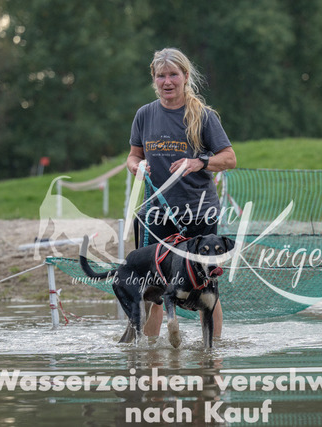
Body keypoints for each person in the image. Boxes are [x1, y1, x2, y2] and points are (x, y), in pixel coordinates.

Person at [126, 47, 236, 339]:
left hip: (198, 214)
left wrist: (199, 162)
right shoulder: (144, 115)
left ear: (185, 76)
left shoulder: (204, 116)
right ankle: (151, 356)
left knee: (206, 287)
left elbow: (229, 158)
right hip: (156, 214)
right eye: (161, 76)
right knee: (154, 290)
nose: (167, 82)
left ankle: (212, 356)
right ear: (154, 78)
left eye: (173, 74)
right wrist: (137, 167)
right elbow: (133, 156)